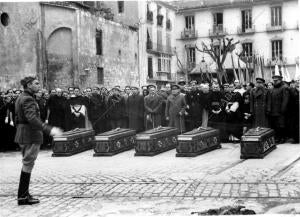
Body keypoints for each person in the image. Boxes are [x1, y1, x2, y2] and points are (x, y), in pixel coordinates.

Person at [15, 76, 62, 205]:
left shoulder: (22, 97)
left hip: (24, 133)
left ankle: (23, 194)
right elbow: (32, 118)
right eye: (36, 83)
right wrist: (48, 129)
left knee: (27, 163)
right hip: (30, 135)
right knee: (28, 163)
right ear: (29, 85)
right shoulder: (28, 99)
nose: (39, 85)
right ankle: (23, 196)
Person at [267, 73, 289, 144]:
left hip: (280, 111)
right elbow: (270, 100)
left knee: (281, 125)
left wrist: (282, 110)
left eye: (276, 81)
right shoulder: (272, 89)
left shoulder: (284, 88)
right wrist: (269, 109)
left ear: (280, 80)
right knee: (275, 126)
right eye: (274, 81)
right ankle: (277, 138)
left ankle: (282, 138)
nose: (274, 82)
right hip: (273, 111)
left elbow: (285, 100)